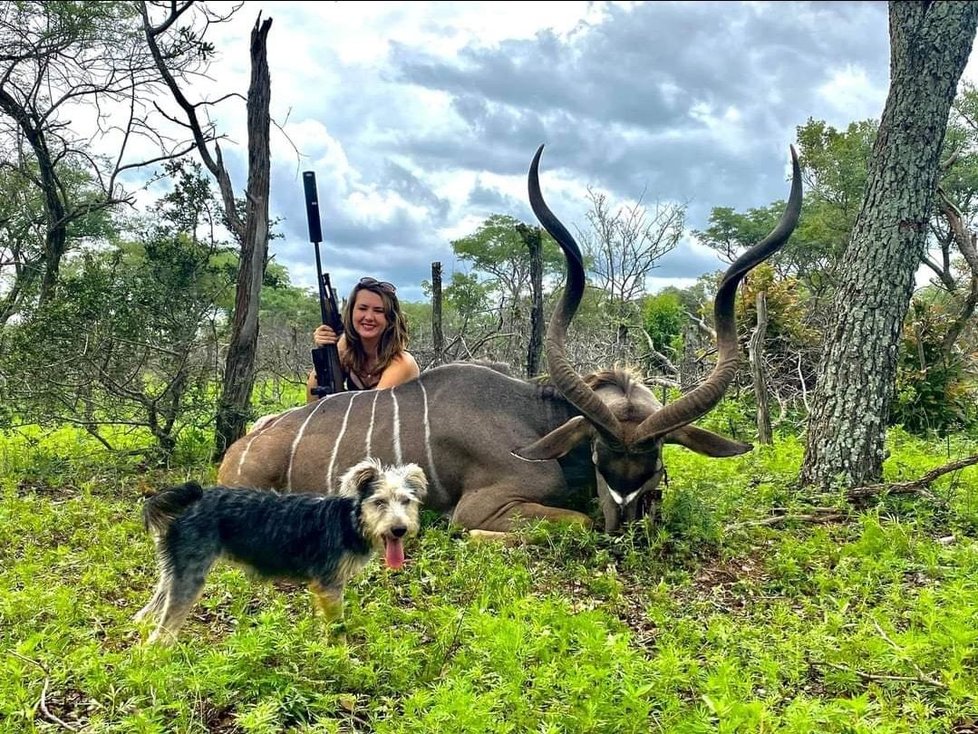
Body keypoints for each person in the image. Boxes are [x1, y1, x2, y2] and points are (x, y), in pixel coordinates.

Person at [306, 276, 420, 402]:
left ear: (390, 319)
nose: (369, 317)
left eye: (378, 311)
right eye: (362, 308)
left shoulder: (402, 363)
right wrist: (326, 354)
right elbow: (312, 402)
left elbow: (371, 411)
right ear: (351, 312)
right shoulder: (346, 348)